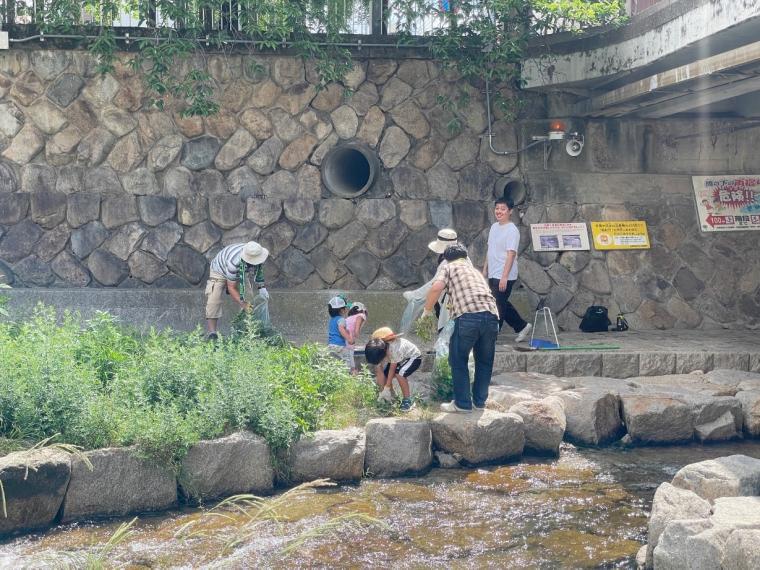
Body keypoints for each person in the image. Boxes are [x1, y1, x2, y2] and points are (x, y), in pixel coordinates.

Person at [423, 243, 499, 412]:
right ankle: (479, 403)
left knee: (458, 359)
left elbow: (436, 287)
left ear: (446, 258)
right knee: (485, 362)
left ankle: (462, 404)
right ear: (465, 256)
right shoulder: (474, 271)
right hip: (492, 316)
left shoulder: (449, 266)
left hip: (469, 317)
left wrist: (427, 311)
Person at [483, 197, 532, 343]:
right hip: (493, 272)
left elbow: (511, 254)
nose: (499, 211)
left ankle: (492, 335)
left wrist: (504, 276)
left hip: (506, 274)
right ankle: (522, 326)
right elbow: (489, 249)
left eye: (503, 209)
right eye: (497, 208)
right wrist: (484, 270)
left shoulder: (512, 230)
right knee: (500, 301)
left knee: (497, 304)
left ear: (510, 211)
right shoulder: (494, 227)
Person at [204, 241, 269, 340]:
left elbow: (258, 271)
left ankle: (248, 331)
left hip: (240, 272)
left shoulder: (256, 252)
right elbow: (231, 287)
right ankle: (212, 333)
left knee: (248, 297)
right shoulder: (234, 262)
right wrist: (243, 304)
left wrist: (262, 288)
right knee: (214, 299)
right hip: (219, 270)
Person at [399, 228, 458, 334]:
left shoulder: (448, 262)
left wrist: (426, 310)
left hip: (453, 301)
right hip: (453, 300)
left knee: (449, 331)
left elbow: (435, 285)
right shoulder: (456, 257)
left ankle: (416, 295)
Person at [364, 326, 420, 413]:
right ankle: (392, 398)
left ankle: (407, 400)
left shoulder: (394, 348)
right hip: (398, 359)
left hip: (413, 357)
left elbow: (392, 369)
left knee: (399, 373)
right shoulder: (378, 348)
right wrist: (382, 391)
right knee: (385, 377)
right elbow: (379, 370)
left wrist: (387, 386)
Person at [327, 295, 354, 370]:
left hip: (331, 345)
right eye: (345, 308)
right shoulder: (341, 319)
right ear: (342, 310)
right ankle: (348, 376)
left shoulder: (332, 320)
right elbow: (341, 329)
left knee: (334, 364)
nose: (346, 309)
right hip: (339, 346)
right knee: (347, 362)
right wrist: (349, 339)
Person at [345, 302, 368, 375]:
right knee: (351, 365)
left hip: (344, 338)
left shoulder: (349, 317)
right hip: (349, 339)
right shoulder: (361, 315)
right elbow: (356, 331)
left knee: (348, 359)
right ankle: (353, 378)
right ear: (363, 310)